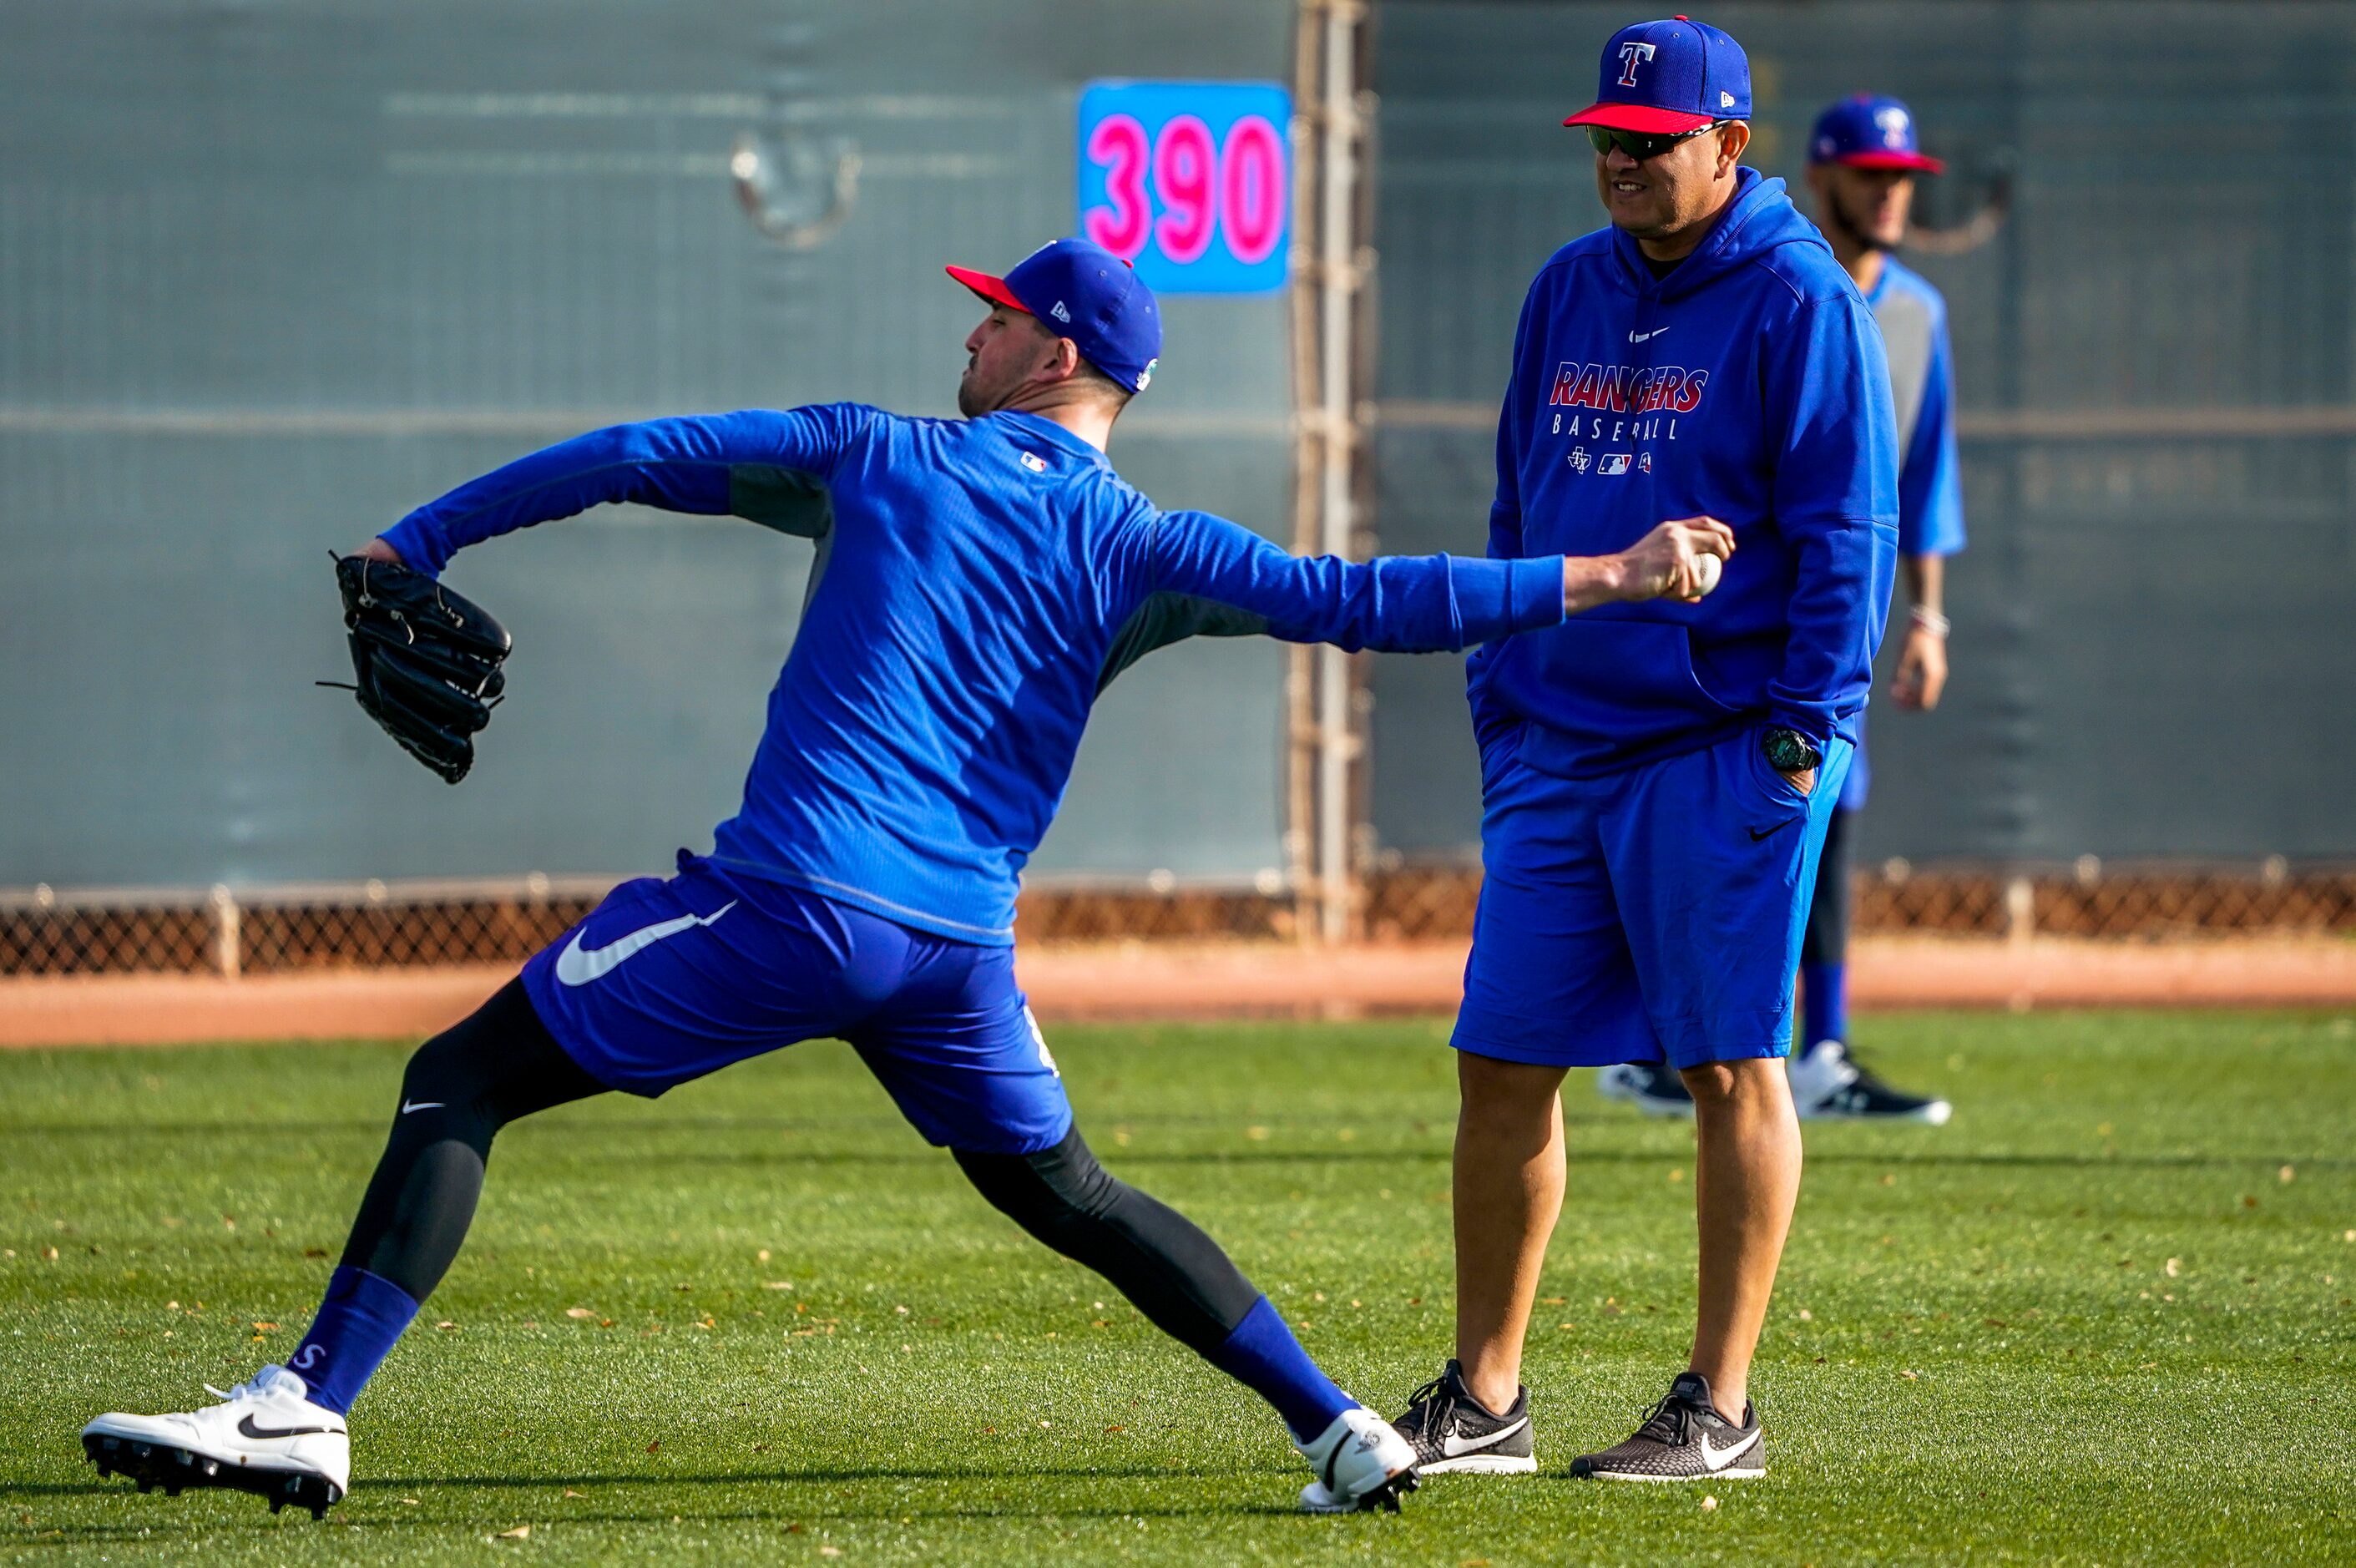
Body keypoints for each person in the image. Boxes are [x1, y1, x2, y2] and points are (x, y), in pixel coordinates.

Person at [81, 237, 1732, 1519]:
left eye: (994, 318)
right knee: (1067, 1194)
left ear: (1055, 351)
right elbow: (1368, 595)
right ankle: (1343, 1427)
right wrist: (1616, 571)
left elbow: (636, 449)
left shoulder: (877, 456)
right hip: (952, 955)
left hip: (791, 905)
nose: (969, 336)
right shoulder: (1146, 547)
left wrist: (417, 541)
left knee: (458, 1082)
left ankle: (305, 1402)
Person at [1388, 18, 1897, 1482]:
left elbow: (1842, 537)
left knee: (1730, 1061)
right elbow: (1515, 502)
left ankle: (1718, 1409)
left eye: (1652, 142)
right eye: (1605, 139)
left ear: (1728, 144)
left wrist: (1800, 735)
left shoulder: (1801, 299)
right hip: (1559, 736)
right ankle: (1484, 1399)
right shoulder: (1566, 284)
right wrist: (1501, 689)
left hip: (1724, 738)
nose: (1619, 160)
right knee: (1500, 1058)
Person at [1600, 91, 1961, 1124]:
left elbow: (1917, 480)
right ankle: (1675, 1047)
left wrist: (1927, 620)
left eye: (1900, 179)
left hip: (1829, 600)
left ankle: (1819, 1049)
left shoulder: (1912, 314)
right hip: (1702, 611)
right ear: (1820, 176)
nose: (1887, 194)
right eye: (1868, 174)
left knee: (1821, 806)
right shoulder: (1740, 288)